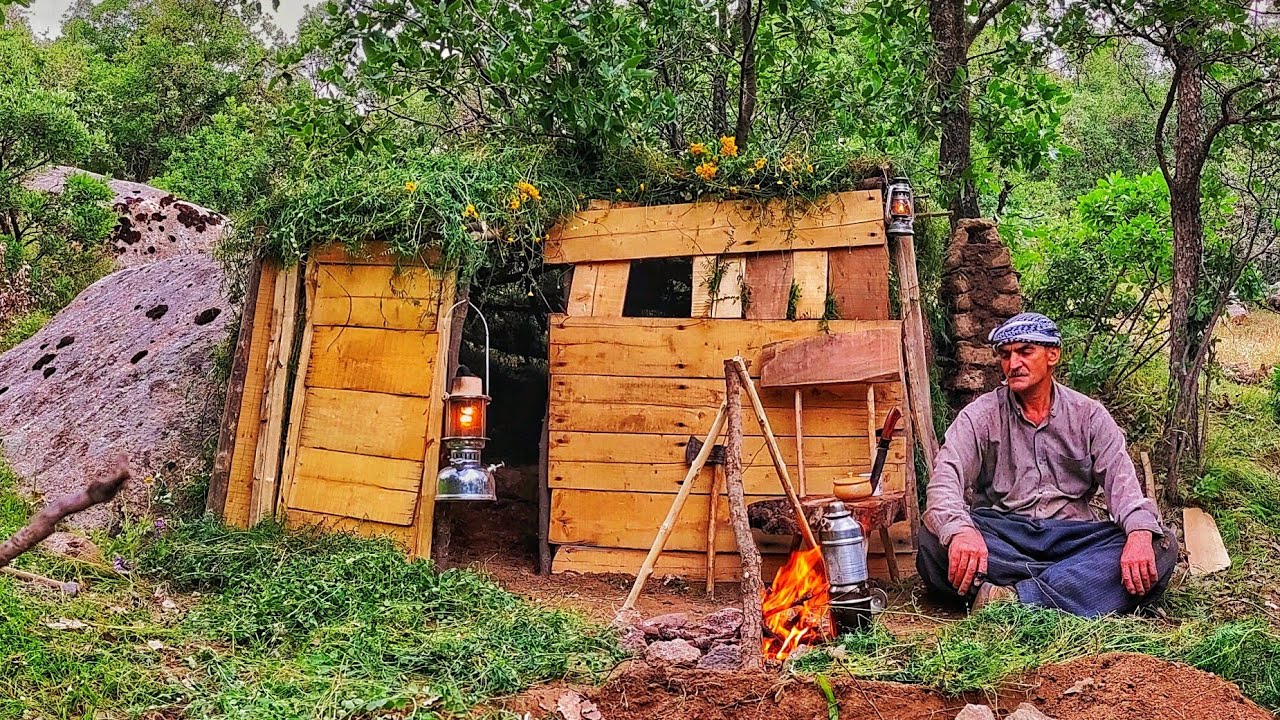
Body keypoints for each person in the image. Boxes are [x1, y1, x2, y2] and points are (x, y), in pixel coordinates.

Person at [916, 312, 1179, 616]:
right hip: (1004, 537)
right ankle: (1070, 589)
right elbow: (944, 481)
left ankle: (1015, 598)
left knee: (1160, 545)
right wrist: (961, 531)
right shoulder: (981, 415)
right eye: (1005, 354)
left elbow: (1126, 492)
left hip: (1072, 540)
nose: (1013, 364)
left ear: (1053, 354)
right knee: (933, 540)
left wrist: (1138, 535)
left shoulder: (1089, 416)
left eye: (1025, 352)